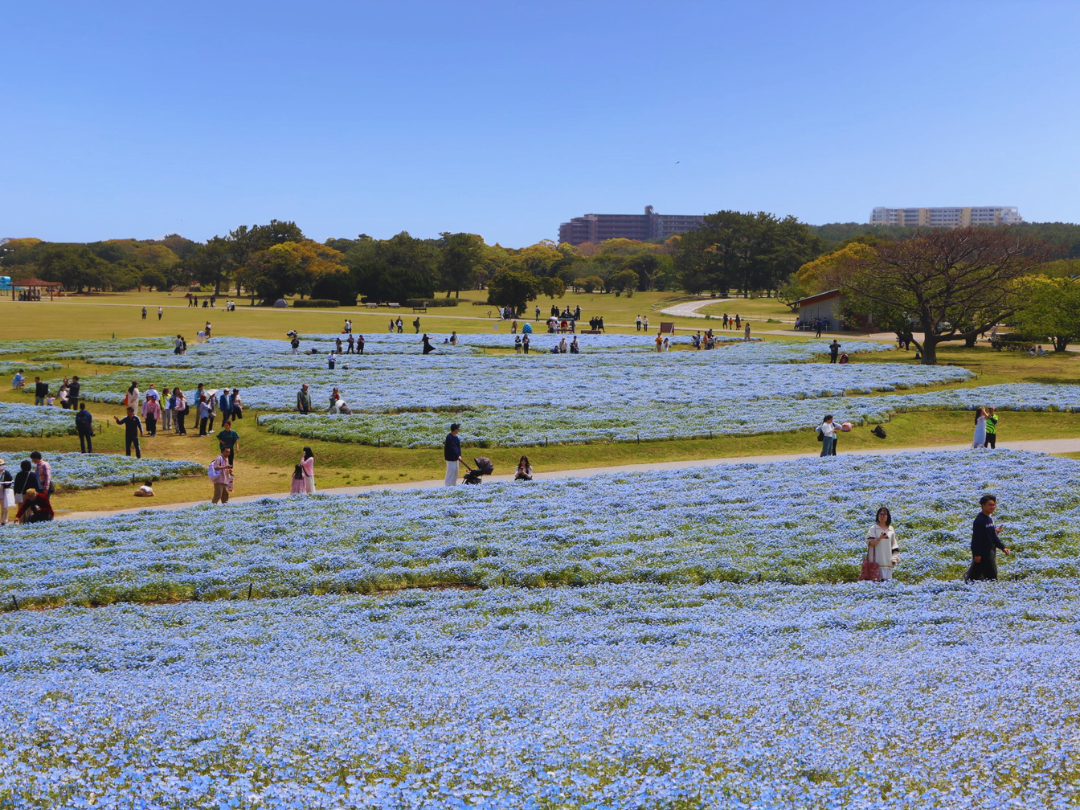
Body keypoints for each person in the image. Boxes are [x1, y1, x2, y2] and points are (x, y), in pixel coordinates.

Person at [965, 494, 1010, 582]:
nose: (992, 507)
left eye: (994, 505)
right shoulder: (980, 520)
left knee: (976, 574)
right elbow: (976, 539)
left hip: (989, 551)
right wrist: (977, 554)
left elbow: (993, 536)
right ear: (983, 505)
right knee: (991, 575)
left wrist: (1002, 547)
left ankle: (968, 586)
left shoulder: (989, 519)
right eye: (990, 505)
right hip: (983, 553)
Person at [865, 507, 898, 582]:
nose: (882, 516)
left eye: (884, 514)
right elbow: (870, 543)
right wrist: (880, 538)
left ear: (888, 516)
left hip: (887, 562)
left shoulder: (891, 529)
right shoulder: (874, 528)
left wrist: (894, 558)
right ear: (878, 516)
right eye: (881, 514)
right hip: (875, 563)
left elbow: (894, 546)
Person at [0, 460, 13, 525]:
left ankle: (4, 521)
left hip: (4, 491)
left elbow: (10, 481)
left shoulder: (6, 473)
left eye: (2, 465)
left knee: (5, 507)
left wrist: (7, 483)